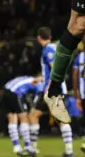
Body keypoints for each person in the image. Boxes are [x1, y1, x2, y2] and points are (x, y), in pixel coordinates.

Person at [30, 26, 74, 157]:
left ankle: (33, 149)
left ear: (39, 38)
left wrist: (49, 86)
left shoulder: (47, 50)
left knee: (35, 116)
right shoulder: (56, 47)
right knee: (38, 115)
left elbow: (54, 68)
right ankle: (68, 150)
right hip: (55, 87)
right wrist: (41, 79)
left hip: (52, 89)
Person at [3, 74, 44, 156]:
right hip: (15, 92)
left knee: (12, 117)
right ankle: (27, 146)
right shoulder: (40, 83)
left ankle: (16, 146)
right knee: (24, 117)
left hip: (6, 89)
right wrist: (34, 108)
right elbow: (38, 97)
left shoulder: (28, 78)